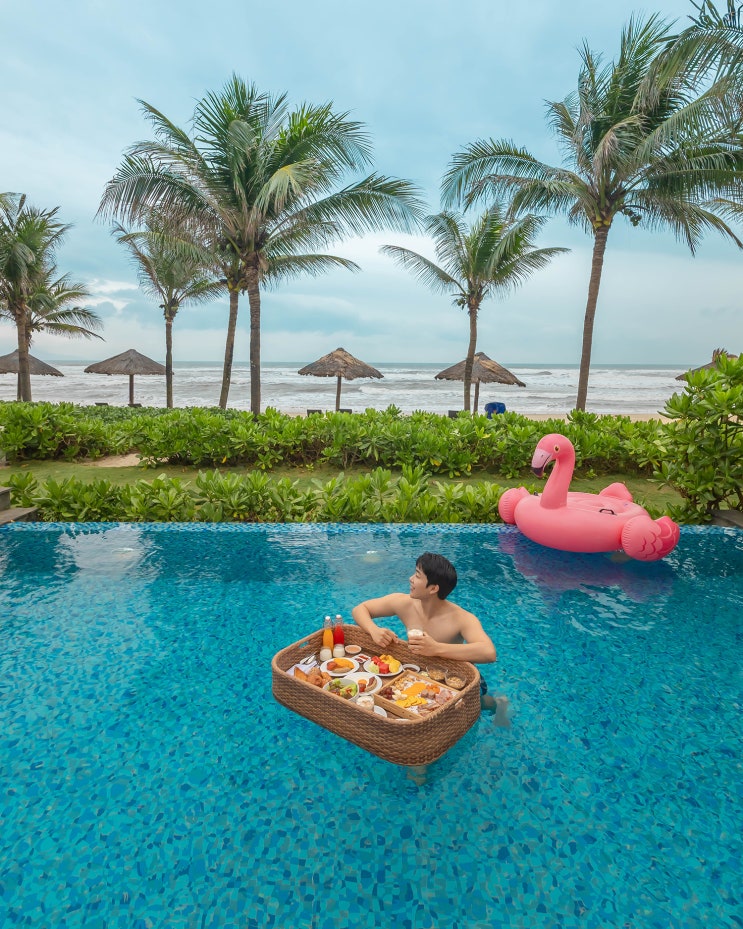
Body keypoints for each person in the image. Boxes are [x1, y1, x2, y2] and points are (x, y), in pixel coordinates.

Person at [351, 552, 507, 718]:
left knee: (476, 705)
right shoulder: (404, 603)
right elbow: (360, 609)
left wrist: (436, 648)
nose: (411, 579)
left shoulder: (461, 618)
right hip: (423, 673)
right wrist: (374, 630)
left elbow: (489, 652)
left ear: (433, 588)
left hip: (454, 678)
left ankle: (496, 703)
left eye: (417, 576)